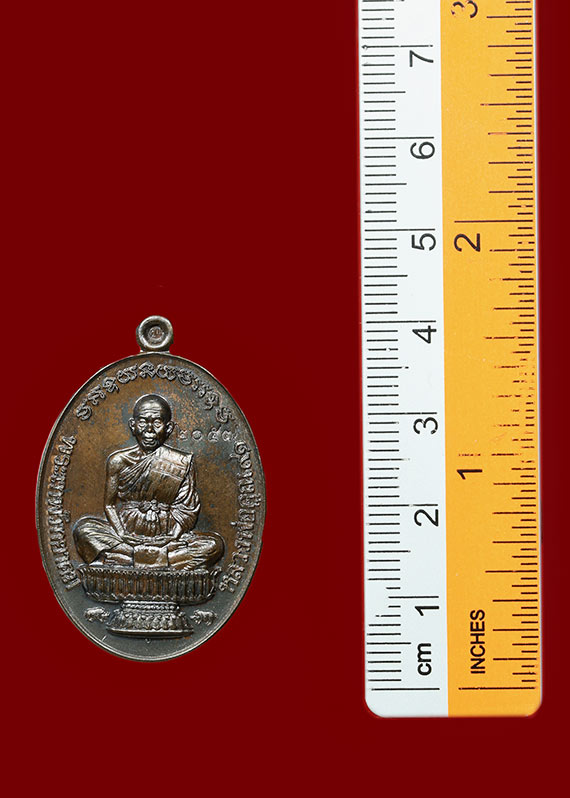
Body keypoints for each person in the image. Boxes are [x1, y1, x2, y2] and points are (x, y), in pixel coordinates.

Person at [73, 394, 223, 571]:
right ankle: (162, 560)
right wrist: (121, 533)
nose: (149, 430)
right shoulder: (118, 461)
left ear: (168, 428)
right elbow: (109, 505)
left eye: (157, 423)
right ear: (133, 425)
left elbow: (187, 509)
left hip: (167, 536)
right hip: (127, 534)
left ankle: (127, 559)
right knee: (84, 531)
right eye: (143, 422)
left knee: (214, 545)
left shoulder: (181, 462)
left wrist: (173, 536)